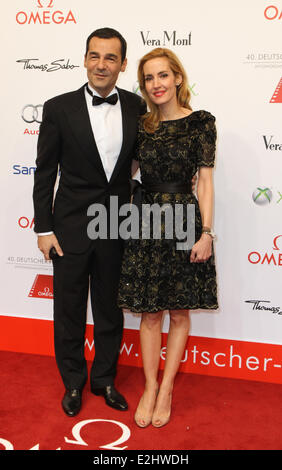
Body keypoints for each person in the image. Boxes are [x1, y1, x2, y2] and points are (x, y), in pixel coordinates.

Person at [33, 27, 146, 417]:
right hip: (67, 228)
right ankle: (74, 383)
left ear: (123, 64)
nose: (102, 64)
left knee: (110, 308)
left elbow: (139, 164)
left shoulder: (136, 107)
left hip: (115, 224)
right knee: (69, 309)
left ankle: (104, 380)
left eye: (111, 58)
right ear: (84, 59)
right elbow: (45, 172)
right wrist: (43, 229)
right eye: (95, 56)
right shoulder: (58, 107)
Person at [118, 48, 218, 428]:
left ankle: (167, 388)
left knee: (179, 312)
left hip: (185, 222)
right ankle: (148, 385)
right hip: (145, 222)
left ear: (178, 78)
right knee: (149, 313)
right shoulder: (141, 125)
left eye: (163, 75)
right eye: (148, 78)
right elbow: (124, 176)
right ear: (143, 85)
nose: (156, 84)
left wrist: (206, 232)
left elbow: (205, 182)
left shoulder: (201, 122)